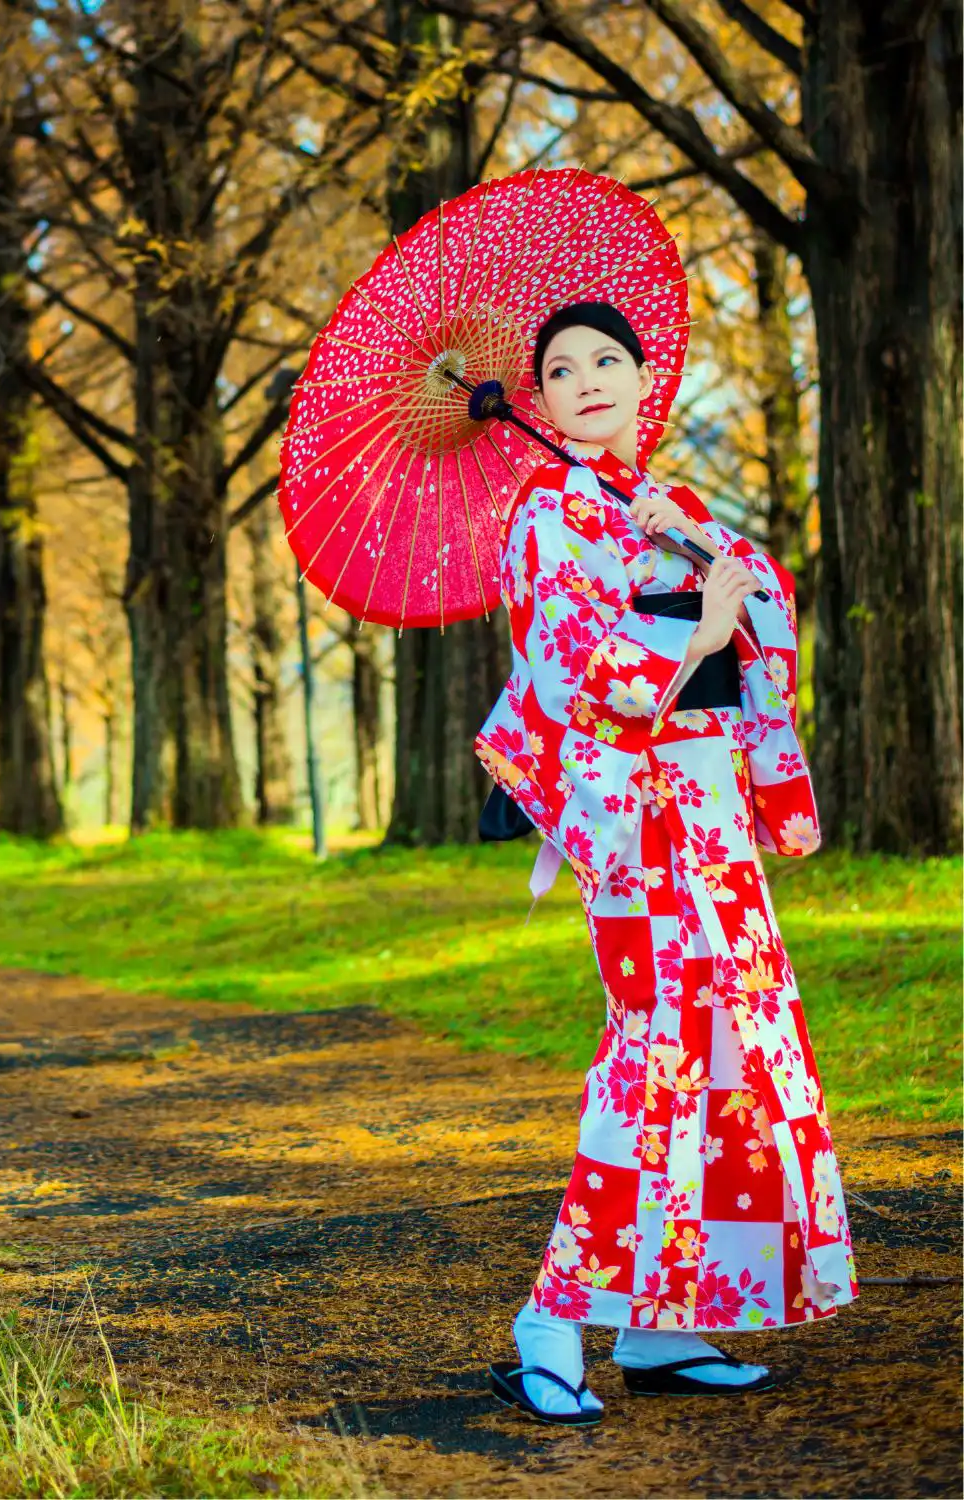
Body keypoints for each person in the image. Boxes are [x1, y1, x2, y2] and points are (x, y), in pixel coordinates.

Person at [475, 301, 858, 1426]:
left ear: (646, 381)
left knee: (737, 1045)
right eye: (560, 370)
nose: (586, 378)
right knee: (657, 1048)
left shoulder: (668, 503)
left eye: (607, 360)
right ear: (534, 403)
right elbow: (572, 670)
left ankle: (659, 1319)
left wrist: (692, 547)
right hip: (631, 820)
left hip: (710, 813)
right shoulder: (542, 516)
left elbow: (770, 615)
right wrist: (689, 633)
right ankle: (552, 1314)